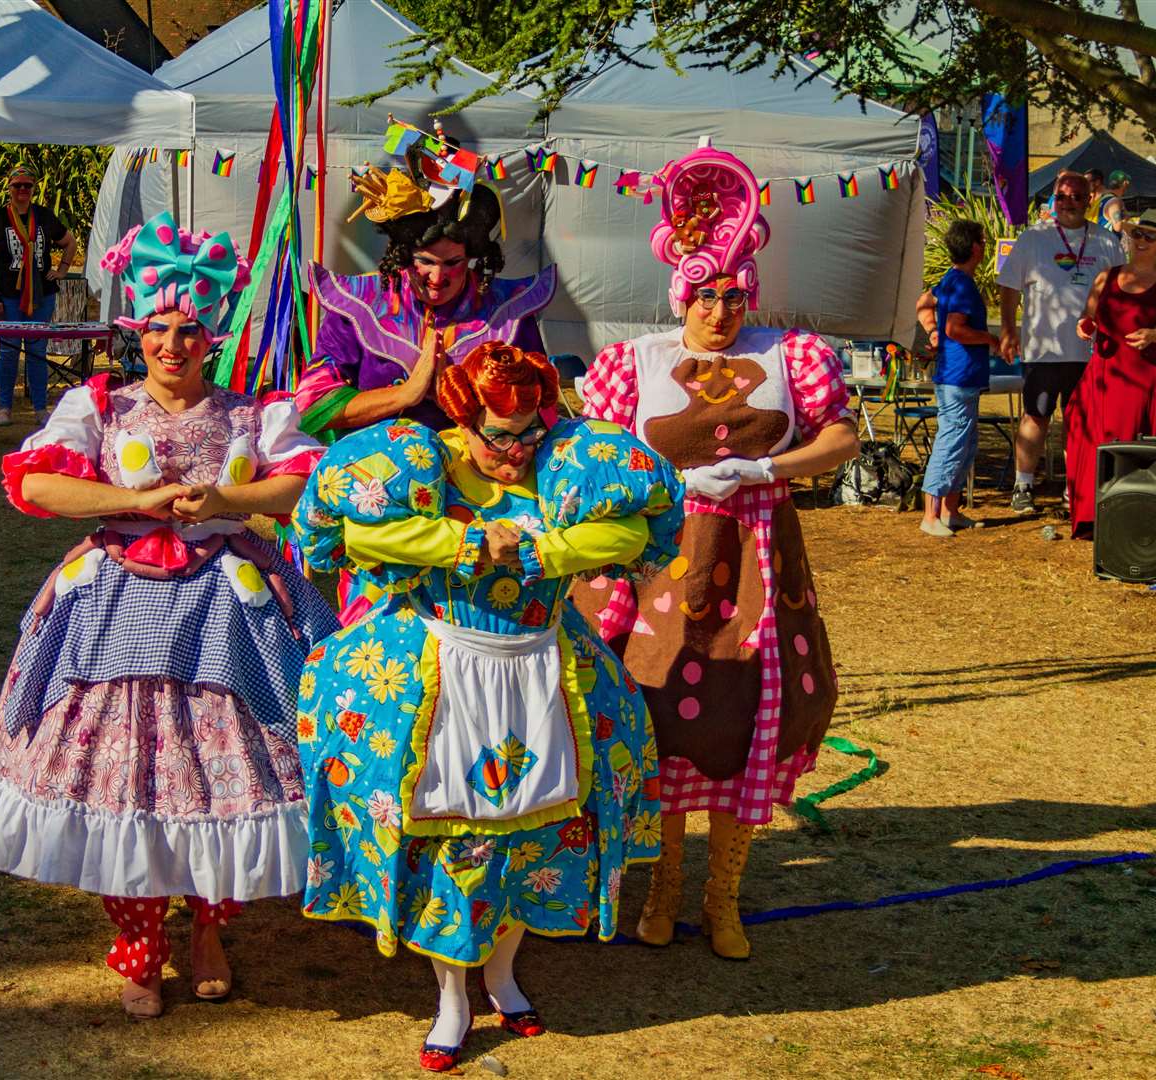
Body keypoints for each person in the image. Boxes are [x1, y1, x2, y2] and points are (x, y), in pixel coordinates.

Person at [0, 211, 340, 1020]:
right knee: (122, 777)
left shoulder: (255, 413)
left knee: (237, 767)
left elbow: (306, 482)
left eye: (188, 330)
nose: (172, 344)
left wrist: (228, 498)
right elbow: (35, 484)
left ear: (212, 336)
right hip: (114, 607)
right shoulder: (97, 406)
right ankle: (139, 947)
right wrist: (136, 499)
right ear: (135, 331)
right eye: (158, 328)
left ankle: (208, 930)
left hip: (231, 613)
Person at [292, 342, 679, 1071]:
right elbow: (366, 530)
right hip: (438, 673)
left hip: (544, 670)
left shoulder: (573, 467)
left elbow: (628, 532)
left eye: (531, 431)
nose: (517, 449)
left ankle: (502, 974)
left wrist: (540, 552)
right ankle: (452, 998)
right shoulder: (421, 467)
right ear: (464, 420)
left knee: (529, 841)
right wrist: (468, 542)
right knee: (452, 847)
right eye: (500, 435)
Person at [578, 144, 859, 960]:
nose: (719, 309)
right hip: (667, 560)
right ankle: (664, 884)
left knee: (752, 718)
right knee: (664, 713)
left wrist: (767, 466)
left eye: (733, 295)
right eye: (704, 294)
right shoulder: (636, 362)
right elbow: (596, 452)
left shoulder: (792, 355)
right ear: (681, 294)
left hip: (762, 558)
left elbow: (839, 439)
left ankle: (723, 895)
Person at [295, 165, 554, 439]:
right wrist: (404, 395)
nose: (437, 277)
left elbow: (543, 409)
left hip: (474, 470)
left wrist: (457, 402)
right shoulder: (360, 305)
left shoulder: (508, 313)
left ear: (472, 258)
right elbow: (312, 406)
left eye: (453, 263)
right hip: (375, 468)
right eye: (425, 261)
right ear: (403, 256)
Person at [998, 171, 1124, 513]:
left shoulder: (1105, 241)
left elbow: (1119, 290)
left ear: (1089, 201)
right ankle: (1023, 485)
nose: (1069, 203)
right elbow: (1009, 286)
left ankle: (1076, 488)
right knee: (1035, 415)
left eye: (1077, 197)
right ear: (1054, 199)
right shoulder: (1033, 239)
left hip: (1089, 352)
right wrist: (1008, 329)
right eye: (1062, 197)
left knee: (1079, 421)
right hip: (1043, 348)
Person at [1065, 209, 1156, 536]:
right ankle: (1095, 516)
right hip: (1106, 375)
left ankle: (1137, 521)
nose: (1143, 241)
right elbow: (1088, 315)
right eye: (1138, 234)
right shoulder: (1106, 276)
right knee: (1094, 439)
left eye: (1151, 236)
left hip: (1148, 377)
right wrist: (1084, 324)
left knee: (1139, 446)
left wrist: (1154, 335)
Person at [917, 219, 1000, 538]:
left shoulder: (951, 279)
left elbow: (922, 303)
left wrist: (932, 332)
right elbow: (956, 329)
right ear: (976, 247)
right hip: (959, 376)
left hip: (958, 376)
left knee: (965, 444)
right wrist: (989, 340)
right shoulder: (962, 285)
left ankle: (950, 511)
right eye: (982, 239)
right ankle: (930, 515)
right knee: (951, 442)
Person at [0, 166, 77, 428]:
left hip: (41, 296)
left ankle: (39, 408)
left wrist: (62, 270)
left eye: (27, 186)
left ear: (34, 189)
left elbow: (70, 242)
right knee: (9, 353)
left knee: (36, 351)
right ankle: (5, 407)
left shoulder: (43, 215)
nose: (22, 190)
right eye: (17, 186)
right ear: (9, 189)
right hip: (9, 296)